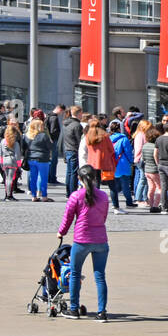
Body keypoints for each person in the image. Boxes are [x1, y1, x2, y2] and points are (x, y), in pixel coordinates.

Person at [57, 165, 111, 322]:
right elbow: (104, 216)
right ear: (95, 178)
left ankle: (74, 309)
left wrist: (61, 232)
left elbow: (67, 218)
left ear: (79, 179)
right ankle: (102, 312)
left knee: (74, 273)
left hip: (81, 239)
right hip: (101, 239)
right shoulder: (103, 196)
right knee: (100, 276)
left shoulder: (76, 196)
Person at [25, 118, 54, 202]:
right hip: (42, 158)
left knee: (33, 178)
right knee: (43, 177)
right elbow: (50, 147)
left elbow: (24, 147)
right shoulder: (43, 135)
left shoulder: (27, 136)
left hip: (31, 158)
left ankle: (34, 196)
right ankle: (44, 196)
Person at [109, 120, 135, 212]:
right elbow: (128, 152)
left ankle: (115, 204)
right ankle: (129, 202)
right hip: (123, 163)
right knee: (125, 185)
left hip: (112, 164)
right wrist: (131, 161)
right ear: (120, 129)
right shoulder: (124, 139)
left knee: (113, 186)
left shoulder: (108, 139)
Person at [0, 120, 25, 201]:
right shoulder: (15, 143)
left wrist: (1, 163)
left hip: (5, 160)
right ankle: (9, 195)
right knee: (11, 179)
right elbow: (17, 155)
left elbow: (0, 153)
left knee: (6, 178)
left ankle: (7, 194)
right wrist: (19, 166)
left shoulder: (3, 141)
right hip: (12, 161)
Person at [61, 105, 84, 195]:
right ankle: (72, 192)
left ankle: (68, 192)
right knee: (74, 173)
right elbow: (80, 140)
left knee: (69, 172)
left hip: (67, 149)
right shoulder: (77, 125)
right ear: (78, 113)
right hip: (74, 150)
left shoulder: (66, 124)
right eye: (81, 113)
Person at [132, 119, 151, 203]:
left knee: (145, 178)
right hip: (141, 159)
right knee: (143, 179)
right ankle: (139, 198)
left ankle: (144, 197)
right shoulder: (141, 135)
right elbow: (139, 148)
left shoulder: (140, 134)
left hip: (140, 159)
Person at [46, 105, 65, 185]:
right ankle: (52, 177)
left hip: (49, 141)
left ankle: (50, 177)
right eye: (62, 112)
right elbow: (53, 131)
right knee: (54, 160)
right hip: (54, 141)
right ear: (59, 109)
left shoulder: (48, 116)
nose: (62, 114)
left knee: (50, 160)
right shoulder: (54, 118)